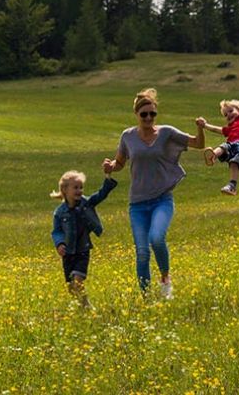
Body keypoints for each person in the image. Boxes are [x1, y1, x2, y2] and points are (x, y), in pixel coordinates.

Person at [102, 87, 205, 299]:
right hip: (137, 204)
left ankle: (165, 280)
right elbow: (120, 162)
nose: (149, 118)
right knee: (141, 252)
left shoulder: (166, 132)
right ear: (136, 115)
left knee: (157, 238)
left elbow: (198, 144)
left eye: (152, 114)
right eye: (144, 114)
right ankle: (146, 298)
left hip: (162, 199)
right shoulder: (127, 136)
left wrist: (200, 128)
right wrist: (110, 166)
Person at [50, 168, 117, 306]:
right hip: (68, 254)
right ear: (65, 190)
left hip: (82, 250)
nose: (79, 190)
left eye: (81, 187)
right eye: (75, 187)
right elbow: (56, 231)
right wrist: (59, 244)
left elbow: (100, 195)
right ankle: (84, 305)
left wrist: (108, 179)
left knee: (77, 281)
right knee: (71, 288)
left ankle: (86, 307)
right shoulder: (59, 213)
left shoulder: (86, 203)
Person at [195, 96, 239, 196]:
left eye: (230, 111)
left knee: (234, 162)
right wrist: (204, 125)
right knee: (223, 146)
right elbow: (216, 129)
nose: (228, 115)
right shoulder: (230, 128)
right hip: (232, 144)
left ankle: (231, 187)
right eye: (225, 115)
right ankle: (212, 156)